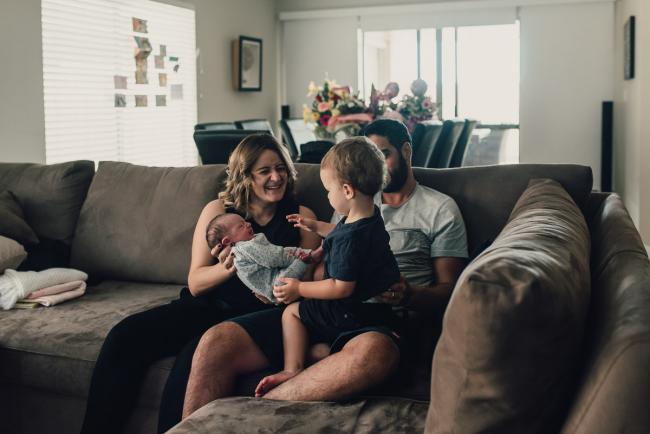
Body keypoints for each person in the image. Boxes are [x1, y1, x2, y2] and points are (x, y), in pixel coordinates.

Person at [181, 118, 468, 420]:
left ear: (406, 152)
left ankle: (253, 415)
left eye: (381, 155)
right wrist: (289, 281)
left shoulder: (439, 209)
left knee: (373, 354)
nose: (367, 169)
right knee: (217, 341)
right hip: (325, 307)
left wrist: (409, 295)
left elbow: (450, 291)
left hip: (379, 319)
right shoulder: (348, 205)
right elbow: (326, 262)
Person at [80, 134, 320, 434]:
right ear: (245, 176)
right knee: (124, 336)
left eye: (281, 168)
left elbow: (306, 277)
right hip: (206, 305)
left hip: (255, 315)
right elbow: (195, 282)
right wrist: (228, 267)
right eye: (265, 171)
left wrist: (277, 286)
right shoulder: (218, 211)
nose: (276, 177)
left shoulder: (302, 217)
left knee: (193, 358)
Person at [255, 138, 400, 396]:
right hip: (376, 308)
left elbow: (340, 287)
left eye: (328, 190)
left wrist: (300, 287)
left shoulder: (349, 240)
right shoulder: (369, 217)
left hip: (350, 309)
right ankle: (327, 353)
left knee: (292, 313)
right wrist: (316, 226)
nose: (327, 195)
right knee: (319, 346)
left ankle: (292, 370)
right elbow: (340, 231)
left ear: (346, 191)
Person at [205, 213, 322, 303]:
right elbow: (273, 258)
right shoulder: (245, 248)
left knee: (287, 253)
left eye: (245, 221)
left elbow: (277, 253)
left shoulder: (245, 245)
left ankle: (310, 255)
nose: (248, 224)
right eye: (241, 226)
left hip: (272, 287)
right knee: (294, 261)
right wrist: (298, 257)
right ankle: (308, 258)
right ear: (227, 241)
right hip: (276, 287)